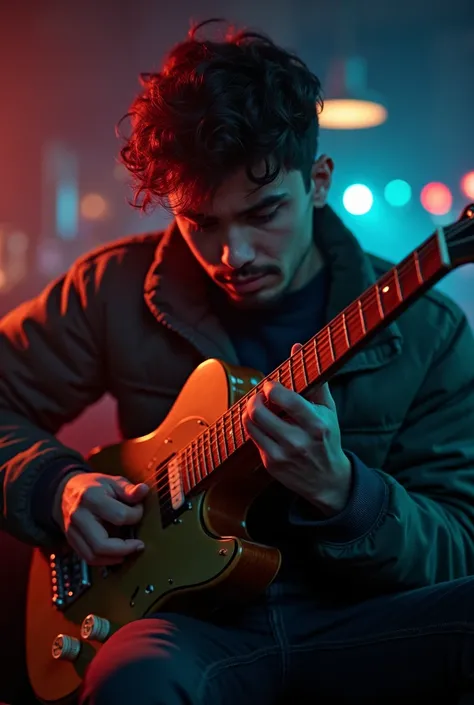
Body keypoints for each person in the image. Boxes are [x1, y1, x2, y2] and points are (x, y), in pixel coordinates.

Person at [1, 17, 474, 705]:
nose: (235, 255)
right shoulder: (110, 289)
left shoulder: (430, 329)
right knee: (133, 680)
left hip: (361, 620)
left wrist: (345, 492)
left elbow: (460, 543)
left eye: (264, 212)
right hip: (183, 627)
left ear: (318, 180)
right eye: (203, 222)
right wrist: (55, 487)